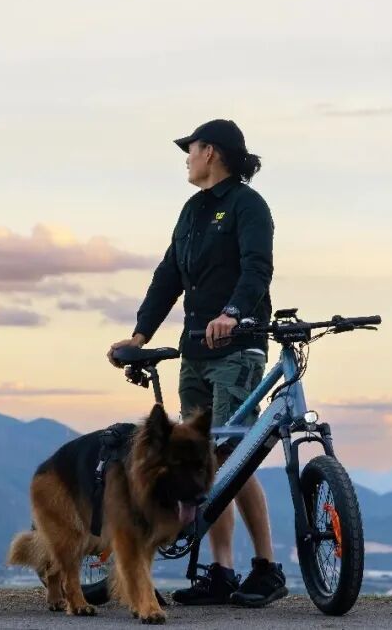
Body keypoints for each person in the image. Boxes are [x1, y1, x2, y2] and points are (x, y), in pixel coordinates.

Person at [108, 119, 287, 607]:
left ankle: (266, 567)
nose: (186, 158)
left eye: (191, 149)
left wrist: (234, 313)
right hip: (195, 352)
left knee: (233, 454)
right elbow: (168, 274)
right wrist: (141, 333)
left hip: (237, 348)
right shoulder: (192, 210)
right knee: (203, 460)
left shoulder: (248, 205)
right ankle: (221, 571)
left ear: (212, 152)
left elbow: (258, 267)